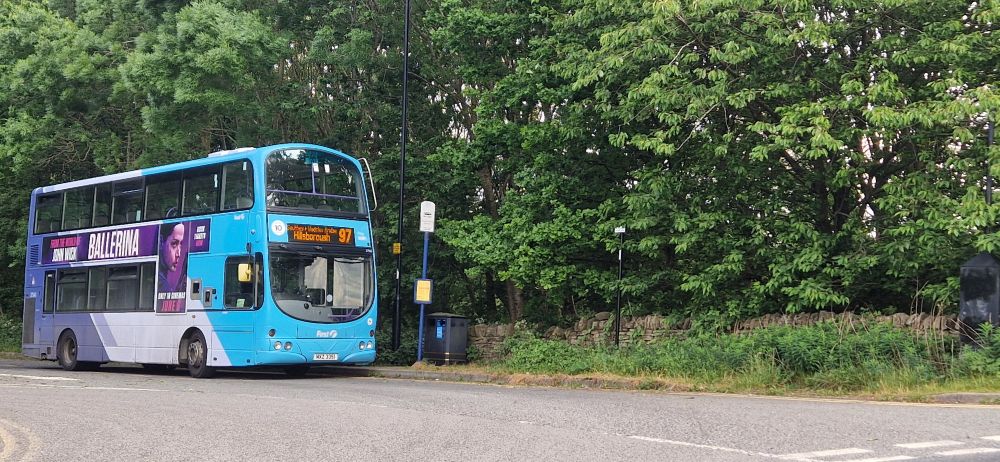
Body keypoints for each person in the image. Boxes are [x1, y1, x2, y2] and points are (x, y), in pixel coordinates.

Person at [158, 222, 187, 295]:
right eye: (174, 244)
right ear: (161, 241)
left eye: (180, 245)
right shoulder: (162, 285)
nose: (178, 254)